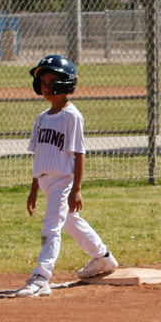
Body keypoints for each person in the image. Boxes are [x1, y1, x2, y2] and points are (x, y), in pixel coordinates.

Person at [17, 55, 118, 298]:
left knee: (51, 227)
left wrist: (76, 189)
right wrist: (33, 190)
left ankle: (42, 276)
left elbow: (79, 153)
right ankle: (103, 257)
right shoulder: (41, 118)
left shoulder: (72, 116)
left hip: (62, 181)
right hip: (45, 181)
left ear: (66, 84)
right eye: (43, 83)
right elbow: (39, 156)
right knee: (71, 221)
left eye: (51, 82)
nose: (45, 87)